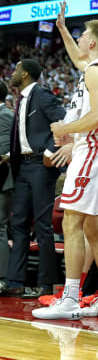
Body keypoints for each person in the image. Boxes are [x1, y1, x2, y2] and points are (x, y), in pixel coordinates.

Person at [32, 17, 98, 320]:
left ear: (93, 43)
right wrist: (61, 29)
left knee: (72, 222)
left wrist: (65, 127)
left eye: (83, 34)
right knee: (92, 224)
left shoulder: (95, 74)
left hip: (95, 150)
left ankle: (71, 297)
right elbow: (78, 59)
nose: (81, 37)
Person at [0, 59, 65, 299]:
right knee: (18, 224)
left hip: (40, 166)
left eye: (16, 69)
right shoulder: (21, 99)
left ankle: (45, 284)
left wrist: (50, 150)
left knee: (42, 226)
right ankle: (15, 281)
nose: (13, 72)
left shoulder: (42, 95)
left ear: (25, 73)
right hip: (22, 167)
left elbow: (63, 122)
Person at [0, 81, 13, 290]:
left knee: (0, 228)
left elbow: (3, 154)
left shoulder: (5, 116)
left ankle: (3, 278)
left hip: (3, 181)